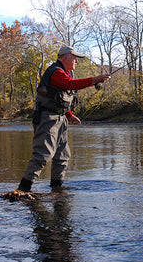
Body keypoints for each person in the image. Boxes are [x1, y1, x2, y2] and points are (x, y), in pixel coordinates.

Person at [17, 46, 110, 192]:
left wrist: (69, 115)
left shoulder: (65, 73)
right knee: (42, 155)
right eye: (74, 58)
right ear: (64, 56)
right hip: (47, 119)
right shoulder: (56, 72)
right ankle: (23, 189)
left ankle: (57, 190)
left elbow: (59, 99)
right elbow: (70, 85)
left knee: (63, 156)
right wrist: (95, 79)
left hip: (60, 119)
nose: (76, 62)